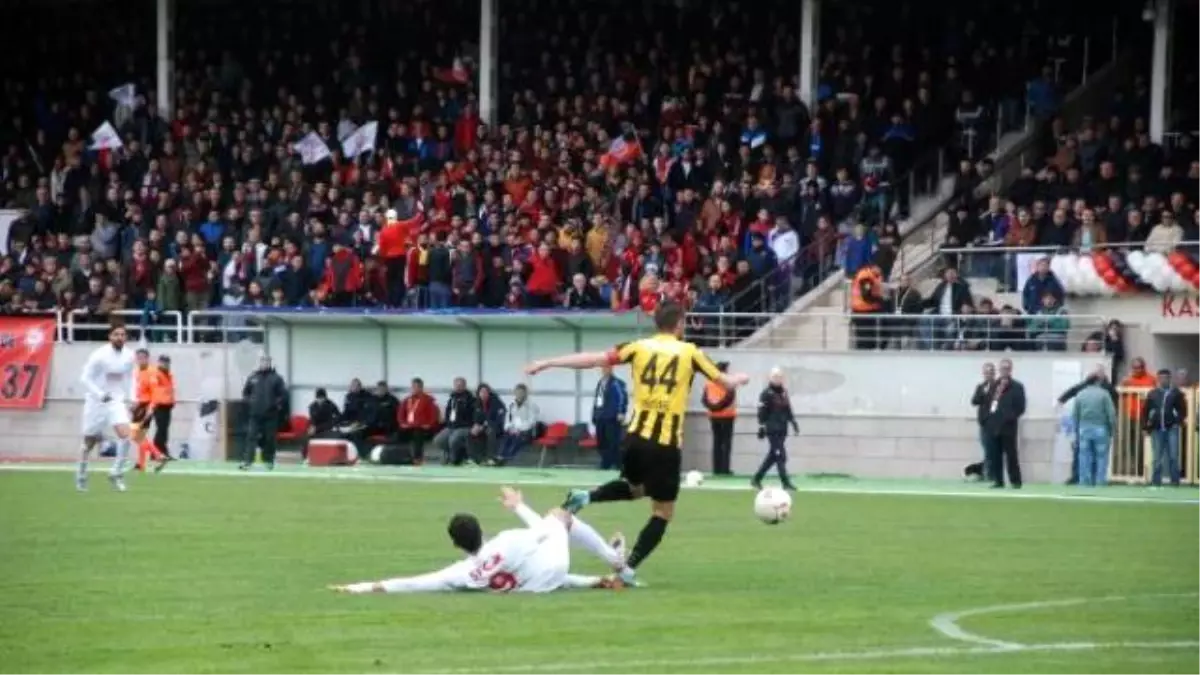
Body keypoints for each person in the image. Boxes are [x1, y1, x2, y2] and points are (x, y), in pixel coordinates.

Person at [524, 302, 750, 584]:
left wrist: (548, 363)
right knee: (662, 512)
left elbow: (594, 359)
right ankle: (628, 569)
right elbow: (725, 383)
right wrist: (740, 378)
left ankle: (587, 496)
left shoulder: (638, 347)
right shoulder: (691, 352)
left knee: (635, 489)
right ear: (679, 324)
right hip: (665, 442)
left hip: (634, 437)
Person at [329, 487, 630, 594]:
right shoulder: (508, 540)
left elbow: (414, 583)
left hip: (529, 588)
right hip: (548, 571)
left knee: (531, 568)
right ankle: (616, 562)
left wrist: (360, 587)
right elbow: (543, 529)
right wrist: (519, 507)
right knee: (559, 516)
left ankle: (597, 580)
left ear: (456, 545)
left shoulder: (461, 573)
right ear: (481, 529)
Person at [76, 320, 137, 492]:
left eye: (123, 335)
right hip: (96, 402)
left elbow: (131, 377)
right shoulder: (99, 355)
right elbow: (84, 379)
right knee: (89, 442)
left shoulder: (129, 355)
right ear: (110, 336)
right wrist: (100, 394)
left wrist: (132, 398)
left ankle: (116, 473)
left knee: (126, 435)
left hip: (115, 400)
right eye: (116, 334)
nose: (120, 338)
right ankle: (81, 475)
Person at [751, 367, 799, 490]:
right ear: (770, 378)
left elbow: (788, 409)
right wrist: (761, 426)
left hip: (782, 428)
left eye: (779, 377)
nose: (777, 379)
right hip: (772, 429)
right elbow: (762, 411)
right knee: (780, 455)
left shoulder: (784, 392)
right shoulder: (766, 393)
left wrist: (793, 422)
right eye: (775, 377)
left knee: (773, 456)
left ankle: (756, 479)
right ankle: (785, 482)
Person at [981, 358, 1026, 489]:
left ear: (1010, 370)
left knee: (1011, 454)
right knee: (994, 455)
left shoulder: (1017, 386)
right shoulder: (994, 385)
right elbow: (987, 403)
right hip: (993, 426)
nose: (1004, 371)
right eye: (1002, 369)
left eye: (1007, 368)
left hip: (1008, 427)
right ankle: (998, 480)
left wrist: (1009, 417)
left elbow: (1021, 407)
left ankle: (1015, 481)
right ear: (999, 370)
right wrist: (987, 419)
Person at [1141, 368, 1188, 487]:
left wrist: (1176, 421)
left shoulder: (1176, 393)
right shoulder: (1152, 393)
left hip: (1172, 428)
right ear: (1157, 379)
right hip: (1156, 428)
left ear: (1169, 379)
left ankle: (1175, 481)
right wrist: (1146, 427)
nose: (1163, 380)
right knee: (1157, 456)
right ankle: (1156, 481)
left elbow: (1183, 410)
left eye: (1165, 378)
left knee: (1173, 456)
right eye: (1160, 378)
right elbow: (1145, 411)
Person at [239, 355, 288, 470]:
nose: (264, 364)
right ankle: (248, 461)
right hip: (255, 414)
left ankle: (269, 461)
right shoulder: (253, 377)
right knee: (251, 437)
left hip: (270, 415)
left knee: (269, 438)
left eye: (267, 362)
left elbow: (283, 395)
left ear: (270, 364)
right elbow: (245, 393)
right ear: (259, 363)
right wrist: (250, 402)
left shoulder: (276, 378)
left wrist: (276, 405)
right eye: (263, 362)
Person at [1073, 375, 1117, 487]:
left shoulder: (1080, 394)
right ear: (1098, 381)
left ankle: (1084, 481)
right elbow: (1111, 413)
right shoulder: (1104, 394)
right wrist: (1113, 429)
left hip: (1084, 428)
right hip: (1101, 428)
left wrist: (1076, 430)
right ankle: (1100, 481)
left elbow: (1075, 414)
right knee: (1101, 456)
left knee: (1084, 456)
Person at [131, 348, 168, 473]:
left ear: (147, 358)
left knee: (137, 436)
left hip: (145, 405)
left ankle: (159, 456)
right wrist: (135, 403)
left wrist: (150, 409)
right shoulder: (137, 371)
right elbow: (139, 390)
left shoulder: (151, 372)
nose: (140, 360)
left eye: (143, 357)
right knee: (141, 436)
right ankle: (141, 464)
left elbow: (155, 392)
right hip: (139, 405)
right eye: (138, 358)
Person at [702, 361, 737, 476]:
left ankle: (716, 469)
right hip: (727, 416)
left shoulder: (709, 383)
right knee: (726, 443)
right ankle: (725, 469)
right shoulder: (729, 383)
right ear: (725, 370)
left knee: (716, 442)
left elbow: (704, 400)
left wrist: (714, 408)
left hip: (714, 416)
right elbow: (729, 399)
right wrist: (720, 407)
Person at [591, 364, 628, 470]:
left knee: (613, 442)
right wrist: (594, 414)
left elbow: (623, 398)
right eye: (603, 368)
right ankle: (605, 462)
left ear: (611, 369)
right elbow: (597, 400)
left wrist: (621, 412)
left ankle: (618, 465)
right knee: (601, 442)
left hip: (612, 417)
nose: (604, 370)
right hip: (600, 417)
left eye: (606, 368)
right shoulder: (600, 383)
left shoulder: (617, 383)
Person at [433, 377, 475, 464]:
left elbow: (471, 415)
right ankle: (452, 454)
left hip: (465, 426)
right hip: (451, 426)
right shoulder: (452, 398)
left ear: (464, 386)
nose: (458, 387)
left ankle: (454, 460)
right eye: (456, 385)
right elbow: (448, 413)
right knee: (438, 440)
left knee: (453, 439)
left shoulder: (470, 399)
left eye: (460, 385)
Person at [398, 378, 440, 464]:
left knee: (417, 434)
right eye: (413, 387)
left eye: (416, 387)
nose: (414, 389)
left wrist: (429, 424)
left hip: (422, 427)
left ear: (421, 388)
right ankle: (401, 456)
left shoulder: (428, 400)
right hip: (409, 426)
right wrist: (402, 423)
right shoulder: (407, 400)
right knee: (397, 434)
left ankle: (417, 458)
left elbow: (434, 415)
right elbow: (400, 414)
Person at [966, 362, 996, 481]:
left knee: (992, 451)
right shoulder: (980, 387)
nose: (988, 375)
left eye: (991, 372)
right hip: (984, 424)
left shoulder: (998, 387)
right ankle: (986, 473)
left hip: (995, 424)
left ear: (994, 373)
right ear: (983, 374)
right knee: (987, 450)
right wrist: (983, 393)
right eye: (986, 372)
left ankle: (990, 474)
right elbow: (974, 401)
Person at [497, 384, 539, 465]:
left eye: (522, 392)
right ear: (515, 393)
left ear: (526, 393)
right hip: (513, 430)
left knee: (518, 438)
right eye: (518, 392)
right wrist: (509, 428)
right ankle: (500, 457)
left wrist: (519, 429)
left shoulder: (532, 406)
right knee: (506, 437)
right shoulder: (511, 405)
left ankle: (508, 459)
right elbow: (507, 419)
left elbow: (531, 422)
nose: (519, 394)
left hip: (526, 432)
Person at [150, 355, 176, 461]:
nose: (165, 364)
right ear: (159, 362)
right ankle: (158, 452)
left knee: (164, 430)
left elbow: (170, 390)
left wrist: (171, 401)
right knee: (161, 429)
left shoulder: (168, 375)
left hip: (167, 405)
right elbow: (157, 389)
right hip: (159, 405)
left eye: (167, 362)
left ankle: (159, 452)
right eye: (163, 362)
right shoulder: (156, 374)